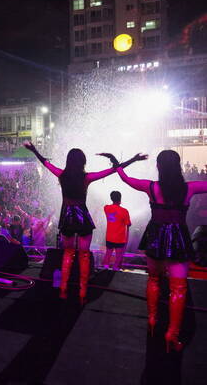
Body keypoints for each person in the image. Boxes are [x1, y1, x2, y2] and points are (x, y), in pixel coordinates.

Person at [111, 149, 207, 352]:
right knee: (178, 287)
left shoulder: (151, 187)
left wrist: (125, 160)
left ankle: (153, 321)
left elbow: (123, 176)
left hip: (155, 236)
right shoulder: (189, 188)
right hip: (178, 237)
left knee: (153, 279)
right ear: (178, 166)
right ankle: (172, 334)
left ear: (158, 167)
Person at [24, 141, 142, 304]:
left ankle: (64, 290)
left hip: (67, 216)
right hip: (81, 216)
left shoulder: (61, 175)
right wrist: (128, 159)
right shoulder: (87, 177)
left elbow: (45, 163)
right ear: (83, 162)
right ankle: (82, 292)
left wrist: (33, 149)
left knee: (67, 253)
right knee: (84, 255)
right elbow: (114, 170)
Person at [102, 191, 131, 271]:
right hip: (120, 238)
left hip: (109, 237)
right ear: (120, 198)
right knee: (118, 258)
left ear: (111, 198)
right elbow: (128, 225)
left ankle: (105, 270)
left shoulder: (106, 208)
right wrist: (127, 239)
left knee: (108, 255)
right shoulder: (124, 211)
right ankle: (115, 270)